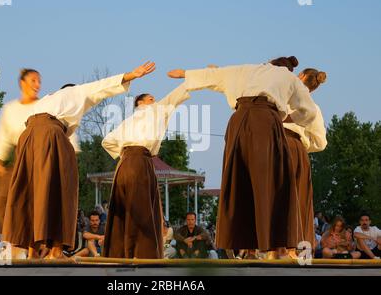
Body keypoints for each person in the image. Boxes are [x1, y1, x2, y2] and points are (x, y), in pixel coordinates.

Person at [2, 61, 155, 259]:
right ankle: (56, 251)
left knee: (32, 191)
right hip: (50, 135)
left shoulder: (48, 100)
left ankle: (32, 250)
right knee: (63, 189)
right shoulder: (76, 93)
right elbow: (102, 87)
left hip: (28, 137)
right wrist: (132, 75)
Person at [167, 56, 317, 254]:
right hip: (266, 121)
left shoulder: (250, 69)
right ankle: (274, 245)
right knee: (271, 182)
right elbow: (310, 111)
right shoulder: (289, 78)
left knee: (240, 180)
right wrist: (290, 117)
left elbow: (218, 75)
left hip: (239, 121)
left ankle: (246, 246)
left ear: (270, 63)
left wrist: (185, 73)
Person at [101, 83, 191, 259]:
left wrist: (122, 155)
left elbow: (106, 142)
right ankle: (142, 253)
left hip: (125, 164)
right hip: (141, 161)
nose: (155, 101)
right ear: (140, 103)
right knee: (143, 209)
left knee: (125, 209)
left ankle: (121, 253)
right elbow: (174, 97)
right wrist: (194, 79)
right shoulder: (154, 112)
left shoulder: (126, 124)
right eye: (151, 99)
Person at [0, 68, 81, 234]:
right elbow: (1, 142)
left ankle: (42, 245)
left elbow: (65, 135)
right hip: (20, 161)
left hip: (44, 160)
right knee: (4, 205)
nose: (37, 84)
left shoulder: (46, 105)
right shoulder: (10, 109)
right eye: (33, 80)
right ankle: (14, 246)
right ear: (22, 83)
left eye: (39, 81)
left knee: (42, 206)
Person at [278, 68, 328, 258]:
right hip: (295, 147)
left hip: (274, 145)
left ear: (300, 78)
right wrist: (302, 144)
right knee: (299, 199)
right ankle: (297, 251)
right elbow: (321, 142)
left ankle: (271, 249)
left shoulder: (280, 97)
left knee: (270, 197)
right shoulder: (313, 107)